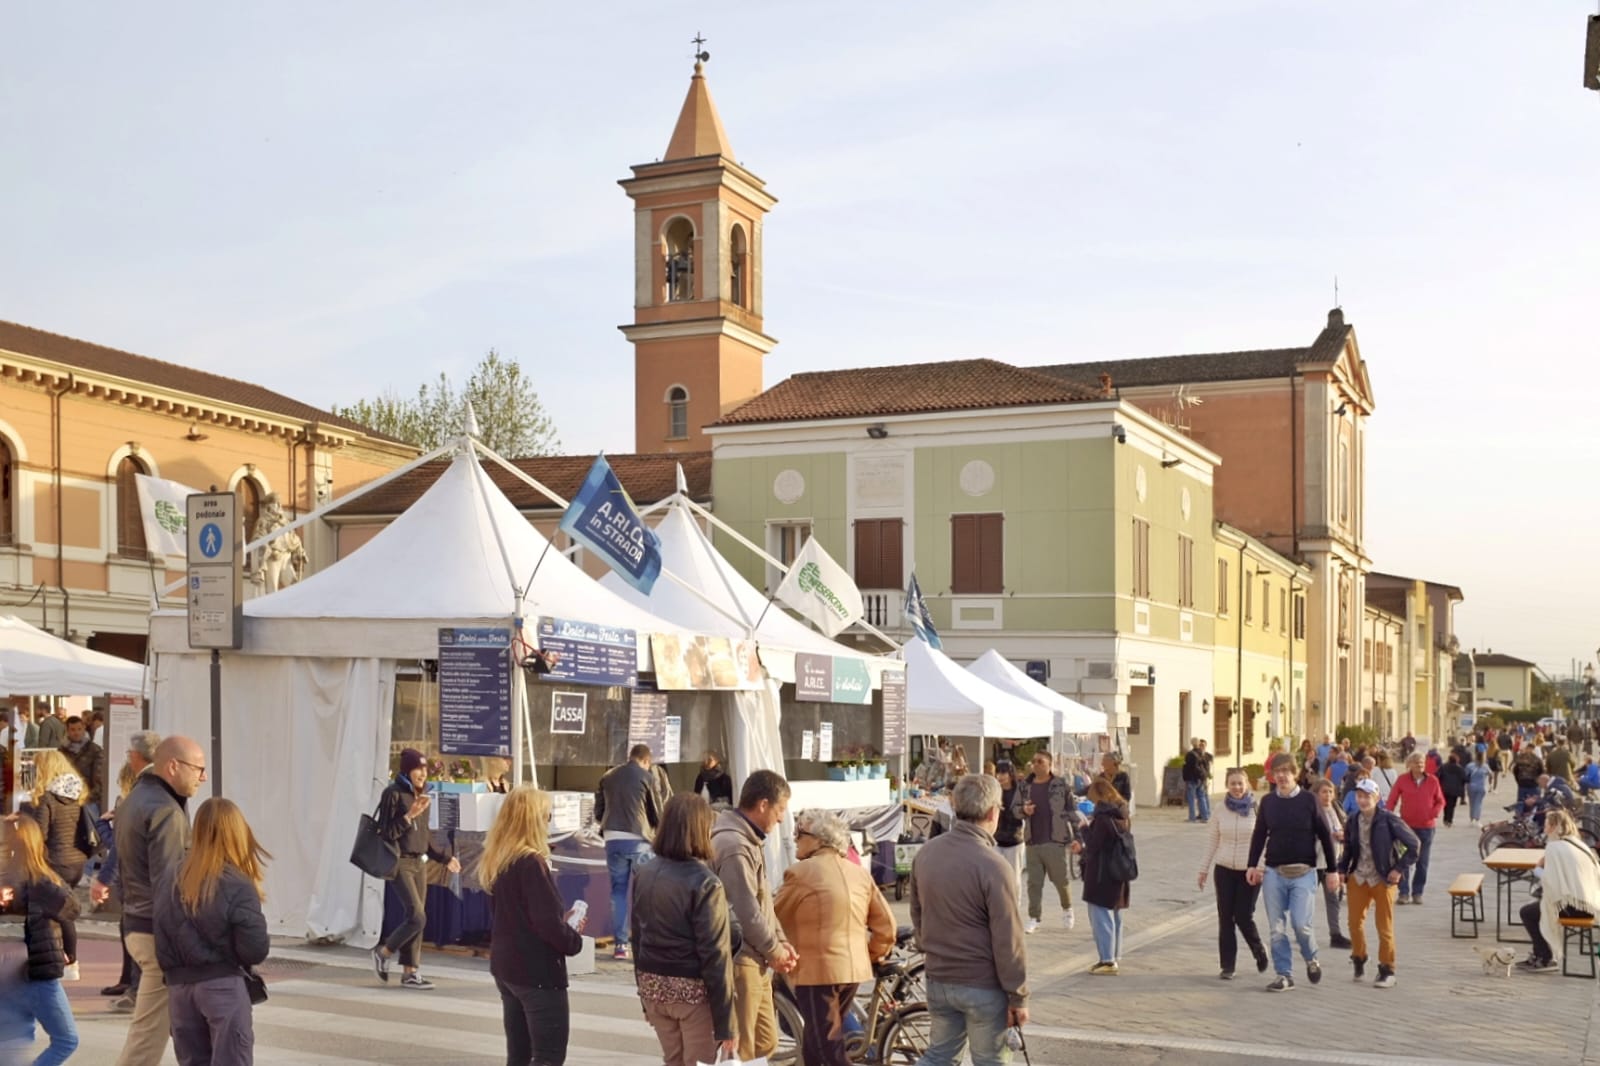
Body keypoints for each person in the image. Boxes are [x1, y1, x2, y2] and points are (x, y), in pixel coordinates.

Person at [910, 773, 1028, 1066]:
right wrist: (1018, 995)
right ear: (992, 812)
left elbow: (918, 915)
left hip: (939, 976)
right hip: (981, 981)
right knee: (990, 1060)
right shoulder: (994, 866)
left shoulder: (926, 853)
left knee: (939, 1055)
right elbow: (1008, 939)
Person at [153, 797, 271, 1065]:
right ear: (238, 834)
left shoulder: (169, 877)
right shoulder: (237, 883)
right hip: (222, 984)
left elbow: (159, 933)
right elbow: (254, 949)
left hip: (179, 988)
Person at [774, 809, 895, 1066]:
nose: (795, 838)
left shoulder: (801, 873)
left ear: (819, 839)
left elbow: (773, 917)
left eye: (800, 833)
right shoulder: (858, 873)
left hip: (818, 973)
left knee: (827, 1049)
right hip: (852, 971)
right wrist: (871, 955)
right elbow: (887, 926)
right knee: (815, 1044)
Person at [115, 735, 206, 1066]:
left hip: (139, 922)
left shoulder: (136, 799)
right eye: (199, 769)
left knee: (176, 1027)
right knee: (147, 1037)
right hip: (157, 929)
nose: (203, 777)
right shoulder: (164, 810)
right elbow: (170, 884)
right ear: (173, 766)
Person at [481, 786, 589, 1066]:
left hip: (507, 965)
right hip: (536, 971)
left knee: (519, 1055)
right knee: (548, 1057)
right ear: (532, 820)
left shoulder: (500, 857)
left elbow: (516, 914)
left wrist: (558, 923)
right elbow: (545, 924)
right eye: (546, 816)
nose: (548, 822)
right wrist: (572, 938)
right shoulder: (530, 862)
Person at [634, 794, 740, 1066]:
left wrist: (644, 996)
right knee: (699, 1061)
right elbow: (715, 956)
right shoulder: (706, 883)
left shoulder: (644, 872)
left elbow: (637, 935)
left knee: (673, 1059)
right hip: (691, 990)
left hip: (653, 984)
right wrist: (727, 1024)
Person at [711, 769, 797, 1062]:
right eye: (780, 809)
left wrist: (781, 941)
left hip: (757, 957)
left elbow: (764, 904)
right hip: (742, 957)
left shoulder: (747, 840)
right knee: (743, 1048)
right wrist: (774, 948)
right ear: (763, 804)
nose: (782, 818)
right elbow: (746, 908)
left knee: (765, 1043)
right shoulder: (735, 845)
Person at [1247, 753, 1339, 992]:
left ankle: (1311, 958)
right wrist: (1251, 865)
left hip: (1304, 873)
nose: (1282, 776)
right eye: (1277, 772)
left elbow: (1326, 836)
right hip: (1274, 872)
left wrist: (1332, 871)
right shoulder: (1268, 802)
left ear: (1295, 773)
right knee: (1277, 928)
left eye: (1286, 771)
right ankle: (1284, 974)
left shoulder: (1309, 800)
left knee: (1301, 925)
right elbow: (1259, 835)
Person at [372, 748, 459, 989]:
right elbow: (386, 833)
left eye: (425, 769)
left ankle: (410, 972)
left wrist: (445, 858)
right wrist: (409, 815)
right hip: (399, 860)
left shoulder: (422, 795)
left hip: (418, 861)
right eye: (418, 769)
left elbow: (425, 839)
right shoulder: (392, 794)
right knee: (417, 916)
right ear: (407, 770)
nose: (422, 774)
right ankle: (384, 951)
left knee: (416, 918)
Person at [0, 818, 81, 1065]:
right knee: (66, 1039)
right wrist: (70, 952)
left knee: (13, 1040)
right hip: (34, 968)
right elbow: (72, 910)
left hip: (6, 968)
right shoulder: (42, 882)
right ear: (36, 844)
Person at [1336, 779, 1419, 989]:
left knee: (1384, 927)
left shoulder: (1388, 819)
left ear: (1377, 798)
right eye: (1359, 796)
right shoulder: (1353, 820)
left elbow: (1414, 845)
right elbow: (1348, 849)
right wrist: (1341, 870)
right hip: (1359, 877)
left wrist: (1398, 869)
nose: (1363, 800)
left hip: (1382, 878)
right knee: (1354, 923)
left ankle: (1387, 969)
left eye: (1367, 796)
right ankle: (1359, 957)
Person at [1197, 767, 1268, 979]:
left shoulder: (1257, 809)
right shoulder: (1219, 809)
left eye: (1240, 783)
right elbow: (1212, 841)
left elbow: (1266, 842)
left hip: (1250, 870)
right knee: (1225, 917)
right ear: (1227, 785)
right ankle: (1228, 965)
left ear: (1247, 785)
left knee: (1244, 916)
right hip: (1225, 868)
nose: (1237, 787)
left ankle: (1258, 950)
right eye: (1233, 783)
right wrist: (1204, 869)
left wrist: (1260, 867)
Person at [595, 744, 663, 962]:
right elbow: (656, 813)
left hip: (612, 839)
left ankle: (621, 945)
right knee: (646, 892)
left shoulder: (608, 776)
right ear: (646, 760)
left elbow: (599, 811)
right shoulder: (647, 776)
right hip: (639, 840)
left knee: (618, 892)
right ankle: (646, 944)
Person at [1518, 809, 1600, 973]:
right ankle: (1540, 955)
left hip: (1574, 906)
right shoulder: (1578, 844)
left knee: (1527, 912)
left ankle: (1545, 957)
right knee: (1535, 908)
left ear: (1554, 826)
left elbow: (1552, 881)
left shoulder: (1555, 847)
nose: (1544, 828)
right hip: (1589, 902)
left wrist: (1537, 869)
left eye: (1547, 824)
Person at [1012, 750, 1080, 934]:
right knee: (1034, 883)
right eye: (1033, 761)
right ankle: (1034, 917)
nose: (1035, 764)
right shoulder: (1024, 786)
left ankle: (1067, 909)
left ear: (1049, 764)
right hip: (1033, 840)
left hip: (1055, 839)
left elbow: (1072, 812)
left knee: (1060, 880)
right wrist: (1024, 810)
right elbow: (1014, 809)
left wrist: (1078, 838)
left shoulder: (1060, 785)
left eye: (1040, 761)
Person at [1080, 777, 1133, 975]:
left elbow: (1094, 846)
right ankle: (1115, 955)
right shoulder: (1122, 814)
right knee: (1116, 915)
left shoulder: (1103, 818)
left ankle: (1107, 960)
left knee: (1101, 915)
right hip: (1119, 872)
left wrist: (1084, 828)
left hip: (1102, 873)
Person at [1384, 752, 1443, 906]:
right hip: (1406, 828)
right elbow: (1392, 799)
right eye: (1416, 761)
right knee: (1404, 861)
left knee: (1422, 862)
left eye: (1422, 761)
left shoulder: (1432, 781)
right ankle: (1403, 893)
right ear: (1409, 764)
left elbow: (1440, 801)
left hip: (1426, 827)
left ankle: (1418, 892)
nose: (1420, 764)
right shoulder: (1402, 780)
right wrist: (1387, 817)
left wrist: (1433, 813)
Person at [1311, 780, 1350, 950]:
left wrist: (1342, 834)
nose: (1327, 795)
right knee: (1306, 901)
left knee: (1333, 899)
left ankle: (1335, 934)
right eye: (1324, 792)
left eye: (1330, 792)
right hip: (1313, 862)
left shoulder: (1337, 810)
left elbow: (1346, 828)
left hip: (1332, 863)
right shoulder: (1311, 811)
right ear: (1316, 794)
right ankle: (1305, 933)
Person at [992, 761, 1025, 908]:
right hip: (996, 839)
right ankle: (999, 906)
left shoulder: (1019, 792)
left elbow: (1022, 813)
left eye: (1003, 773)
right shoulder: (994, 791)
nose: (1000, 776)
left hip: (1015, 839)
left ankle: (1015, 907)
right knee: (995, 875)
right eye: (998, 773)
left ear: (1011, 774)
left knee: (1014, 877)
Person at [59, 715, 106, 810]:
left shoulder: (94, 750)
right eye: (73, 730)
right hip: (68, 801)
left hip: (89, 801)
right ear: (67, 731)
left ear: (84, 729)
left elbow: (99, 779)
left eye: (79, 729)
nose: (76, 733)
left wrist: (88, 798)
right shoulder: (61, 751)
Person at [1183, 737, 1214, 823]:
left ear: (1192, 744)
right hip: (1201, 778)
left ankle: (1192, 817)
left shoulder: (1190, 754)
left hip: (1192, 779)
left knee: (1191, 798)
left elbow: (1189, 767)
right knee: (1201, 797)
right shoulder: (1203, 754)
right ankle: (1205, 816)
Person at [1438, 753, 1467, 828]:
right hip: (1455, 790)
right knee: (1452, 805)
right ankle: (1449, 820)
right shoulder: (1460, 768)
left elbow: (1438, 776)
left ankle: (1445, 819)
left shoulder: (1443, 767)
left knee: (1446, 805)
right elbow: (1465, 779)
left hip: (1445, 789)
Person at [1464, 751, 1491, 826]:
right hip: (1481, 786)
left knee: (1472, 803)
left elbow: (1465, 775)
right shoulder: (1485, 766)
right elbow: (1490, 774)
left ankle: (1472, 818)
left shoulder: (1470, 766)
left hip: (1471, 786)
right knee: (1478, 803)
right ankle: (1477, 818)